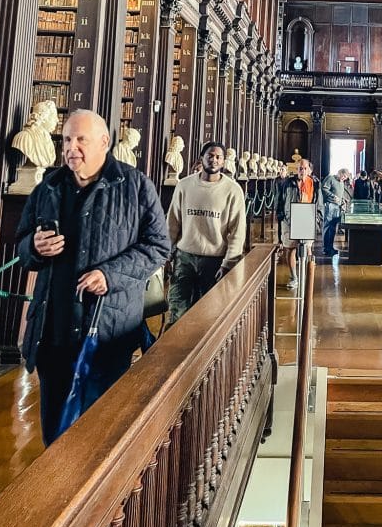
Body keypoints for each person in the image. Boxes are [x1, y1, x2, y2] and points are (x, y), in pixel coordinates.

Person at [15, 109, 170, 445]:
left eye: (80, 139)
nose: (72, 147)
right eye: (67, 139)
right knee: (54, 433)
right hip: (53, 331)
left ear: (104, 142)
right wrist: (35, 246)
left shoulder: (136, 187)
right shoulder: (48, 187)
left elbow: (159, 246)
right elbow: (22, 248)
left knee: (99, 435)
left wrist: (110, 275)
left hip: (106, 332)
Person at [166, 141, 247, 324]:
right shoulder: (184, 185)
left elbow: (237, 231)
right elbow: (172, 223)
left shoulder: (233, 190)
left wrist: (228, 263)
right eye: (210, 155)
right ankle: (176, 351)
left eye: (218, 157)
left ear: (224, 161)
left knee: (209, 313)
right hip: (184, 257)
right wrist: (166, 254)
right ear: (201, 158)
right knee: (177, 310)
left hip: (214, 260)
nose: (214, 160)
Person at [277, 158, 323, 288]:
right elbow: (280, 200)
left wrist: (317, 219)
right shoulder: (287, 183)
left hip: (307, 218)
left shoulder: (314, 184)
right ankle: (294, 277)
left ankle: (308, 275)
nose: (302, 171)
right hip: (289, 219)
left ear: (310, 170)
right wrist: (281, 216)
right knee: (290, 248)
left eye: (304, 168)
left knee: (308, 247)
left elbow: (318, 203)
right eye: (300, 168)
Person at [321, 167, 351, 257]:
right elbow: (324, 188)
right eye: (344, 176)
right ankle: (326, 248)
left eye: (345, 177)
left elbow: (340, 194)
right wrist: (333, 196)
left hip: (337, 207)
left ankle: (331, 247)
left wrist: (343, 200)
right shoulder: (330, 178)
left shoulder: (341, 182)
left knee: (333, 228)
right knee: (327, 227)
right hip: (330, 205)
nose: (344, 178)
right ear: (340, 173)